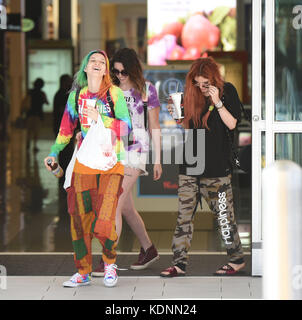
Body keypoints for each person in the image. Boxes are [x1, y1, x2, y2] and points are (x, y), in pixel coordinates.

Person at [44, 50, 132, 288]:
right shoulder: (76, 96)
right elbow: (65, 130)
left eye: (101, 62)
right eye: (92, 61)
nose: (96, 64)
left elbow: (126, 127)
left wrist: (101, 119)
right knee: (79, 219)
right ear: (85, 68)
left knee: (104, 217)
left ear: (105, 70)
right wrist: (53, 152)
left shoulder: (114, 94)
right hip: (84, 162)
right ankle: (83, 271)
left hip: (112, 162)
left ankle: (110, 264)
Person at [160, 56, 245, 277]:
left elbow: (232, 123)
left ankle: (236, 259)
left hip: (217, 167)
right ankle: (179, 263)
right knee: (184, 216)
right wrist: (178, 118)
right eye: (197, 83)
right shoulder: (193, 95)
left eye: (205, 83)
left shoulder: (228, 91)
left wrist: (217, 102)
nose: (201, 87)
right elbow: (190, 127)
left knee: (224, 216)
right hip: (190, 164)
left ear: (214, 78)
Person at [92, 48, 162, 277]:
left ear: (132, 69)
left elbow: (155, 126)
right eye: (115, 71)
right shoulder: (109, 91)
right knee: (127, 208)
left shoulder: (146, 90)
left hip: (136, 151)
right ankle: (149, 249)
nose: (119, 75)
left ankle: (108, 260)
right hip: (114, 152)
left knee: (114, 204)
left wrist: (158, 160)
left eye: (123, 71)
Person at [52, 74, 74, 220]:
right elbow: (62, 112)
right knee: (65, 156)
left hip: (64, 130)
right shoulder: (61, 95)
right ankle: (63, 179)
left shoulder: (62, 94)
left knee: (66, 156)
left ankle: (64, 179)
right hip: (63, 131)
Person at [26, 78, 49, 152]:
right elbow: (47, 102)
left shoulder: (30, 92)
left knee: (29, 130)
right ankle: (35, 145)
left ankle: (28, 143)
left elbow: (26, 101)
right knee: (36, 131)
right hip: (38, 115)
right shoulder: (42, 93)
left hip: (30, 114)